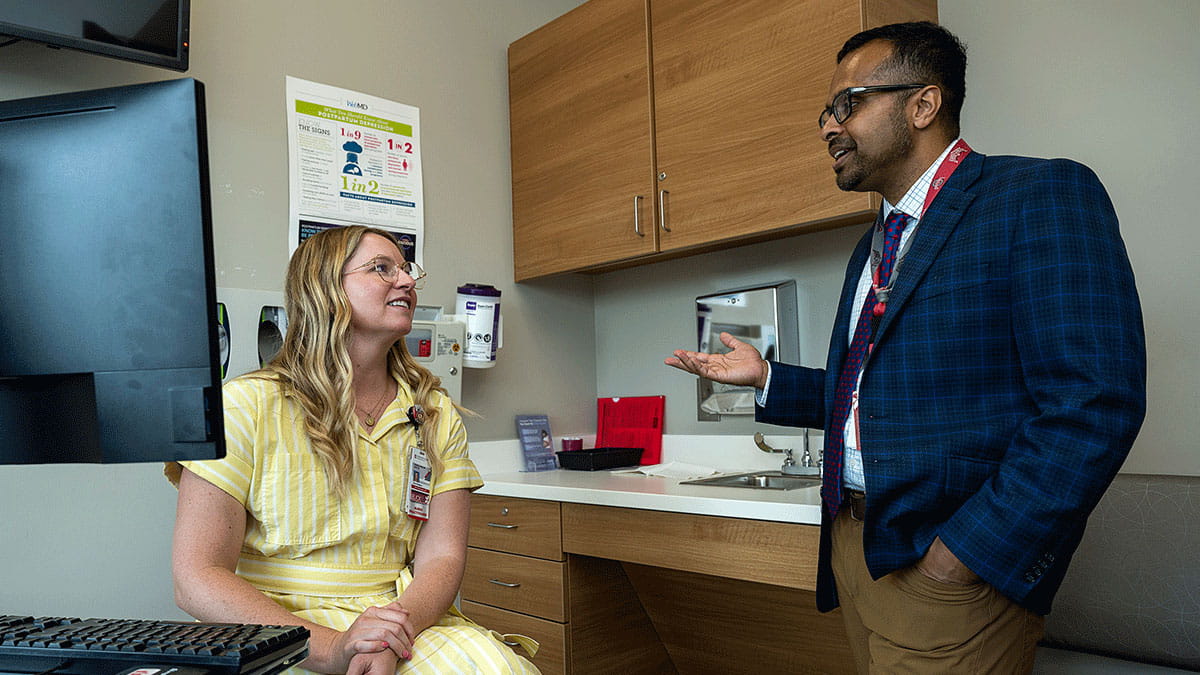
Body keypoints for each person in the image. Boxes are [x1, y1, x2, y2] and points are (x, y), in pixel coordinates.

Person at [666, 22, 1145, 674]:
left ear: (923, 104)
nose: (829, 127)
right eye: (826, 112)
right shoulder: (874, 246)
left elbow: (1094, 402)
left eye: (848, 104)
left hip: (947, 570)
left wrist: (963, 555)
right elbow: (879, 394)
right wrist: (767, 378)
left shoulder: (1038, 195)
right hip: (858, 552)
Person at [167, 226, 539, 675]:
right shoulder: (244, 407)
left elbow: (442, 558)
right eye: (382, 268)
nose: (406, 281)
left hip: (399, 617)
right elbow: (197, 577)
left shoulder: (433, 414)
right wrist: (332, 647)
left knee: (497, 668)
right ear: (325, 289)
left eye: (406, 270)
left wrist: (389, 635)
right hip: (270, 630)